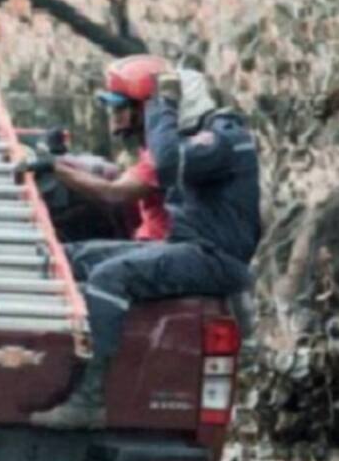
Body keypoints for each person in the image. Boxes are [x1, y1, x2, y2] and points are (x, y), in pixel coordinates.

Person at [28, 63, 261, 430]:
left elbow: (166, 164)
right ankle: (38, 373)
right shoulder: (197, 140)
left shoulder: (223, 138)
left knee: (110, 277)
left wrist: (161, 104)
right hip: (188, 246)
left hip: (215, 257)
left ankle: (89, 402)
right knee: (77, 256)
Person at [17, 54, 172, 242]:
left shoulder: (164, 152)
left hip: (158, 244)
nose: (113, 115)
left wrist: (54, 166)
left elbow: (115, 193)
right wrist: (63, 161)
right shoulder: (155, 144)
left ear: (145, 110)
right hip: (147, 237)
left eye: (120, 107)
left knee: (75, 258)